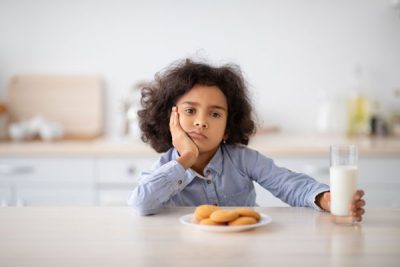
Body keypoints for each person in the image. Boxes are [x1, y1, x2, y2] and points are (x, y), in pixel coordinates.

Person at [128, 58, 366, 220]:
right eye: (190, 111)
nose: (201, 122)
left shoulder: (243, 160)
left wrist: (326, 199)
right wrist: (187, 158)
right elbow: (141, 203)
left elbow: (288, 183)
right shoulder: (167, 168)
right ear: (171, 119)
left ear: (228, 127)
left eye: (215, 113)